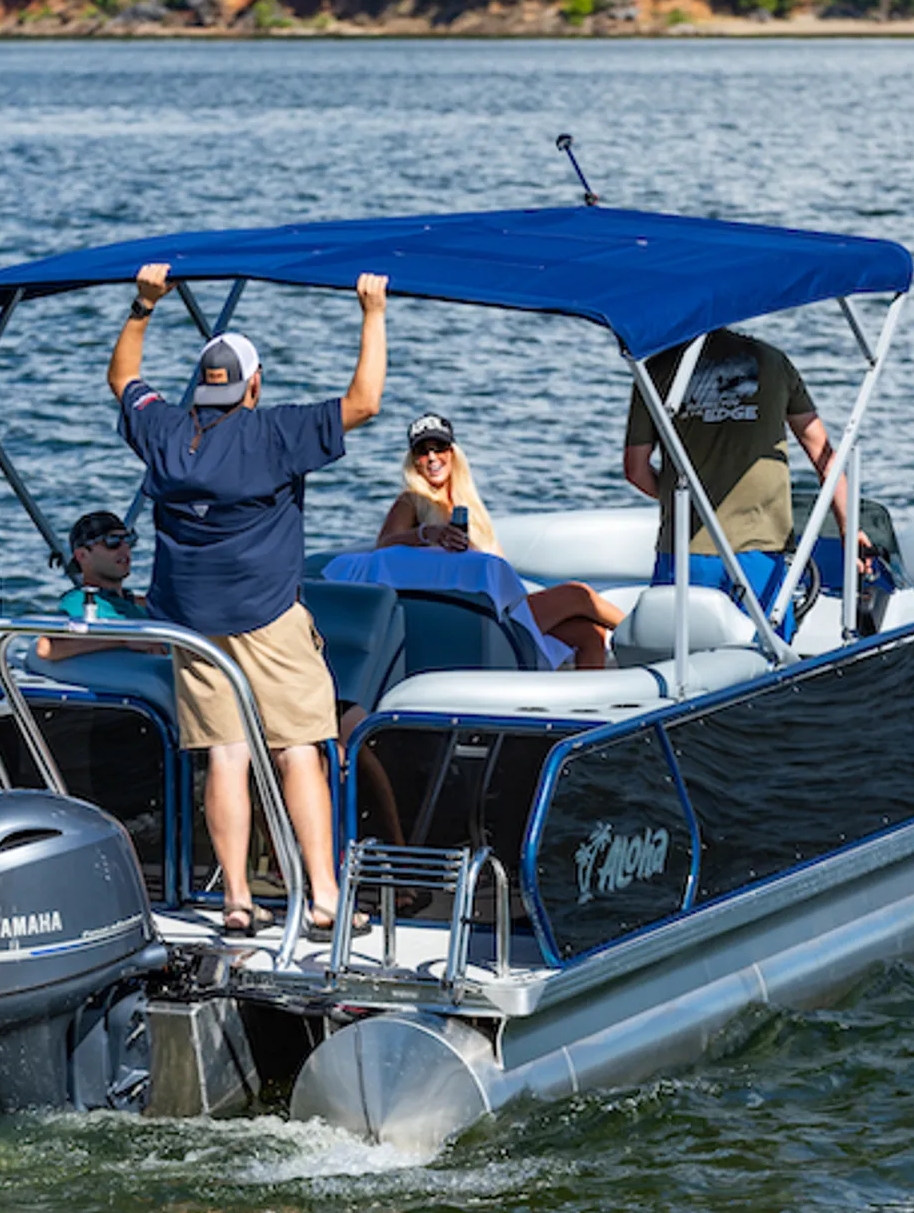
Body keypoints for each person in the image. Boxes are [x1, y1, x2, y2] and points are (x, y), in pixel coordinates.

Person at [110, 260, 388, 941]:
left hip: (192, 629)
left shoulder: (166, 433)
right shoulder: (275, 434)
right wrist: (373, 314)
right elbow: (365, 402)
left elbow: (122, 380)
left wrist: (143, 307)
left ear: (202, 388)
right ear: (252, 386)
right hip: (269, 622)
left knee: (226, 756)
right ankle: (322, 895)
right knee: (300, 750)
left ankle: (236, 899)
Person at [622, 329, 870, 639]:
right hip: (761, 549)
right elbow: (825, 456)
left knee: (678, 659)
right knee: (765, 662)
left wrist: (684, 499)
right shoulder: (773, 361)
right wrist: (849, 526)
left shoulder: (655, 370)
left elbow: (635, 469)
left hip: (687, 547)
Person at [377, 412, 624, 669]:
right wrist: (427, 534)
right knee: (578, 594)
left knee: (590, 634)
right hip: (473, 612)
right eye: (422, 451)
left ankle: (584, 705)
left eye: (439, 448)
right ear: (413, 461)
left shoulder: (466, 502)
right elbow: (384, 544)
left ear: (452, 453)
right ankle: (649, 638)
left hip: (498, 603)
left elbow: (498, 563)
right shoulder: (412, 500)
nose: (432, 458)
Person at [35, 511, 152, 661]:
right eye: (113, 541)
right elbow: (46, 648)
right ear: (82, 555)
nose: (125, 549)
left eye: (129, 540)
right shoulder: (78, 601)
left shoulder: (136, 602)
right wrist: (124, 639)